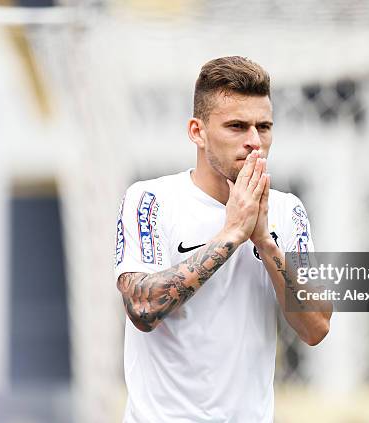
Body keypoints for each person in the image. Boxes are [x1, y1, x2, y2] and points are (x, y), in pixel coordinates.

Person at [114, 56, 331, 423]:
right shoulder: (151, 200)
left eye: (264, 127)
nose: (254, 142)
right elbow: (143, 309)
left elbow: (316, 327)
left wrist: (263, 240)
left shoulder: (288, 211)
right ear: (197, 131)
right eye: (236, 126)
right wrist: (232, 234)